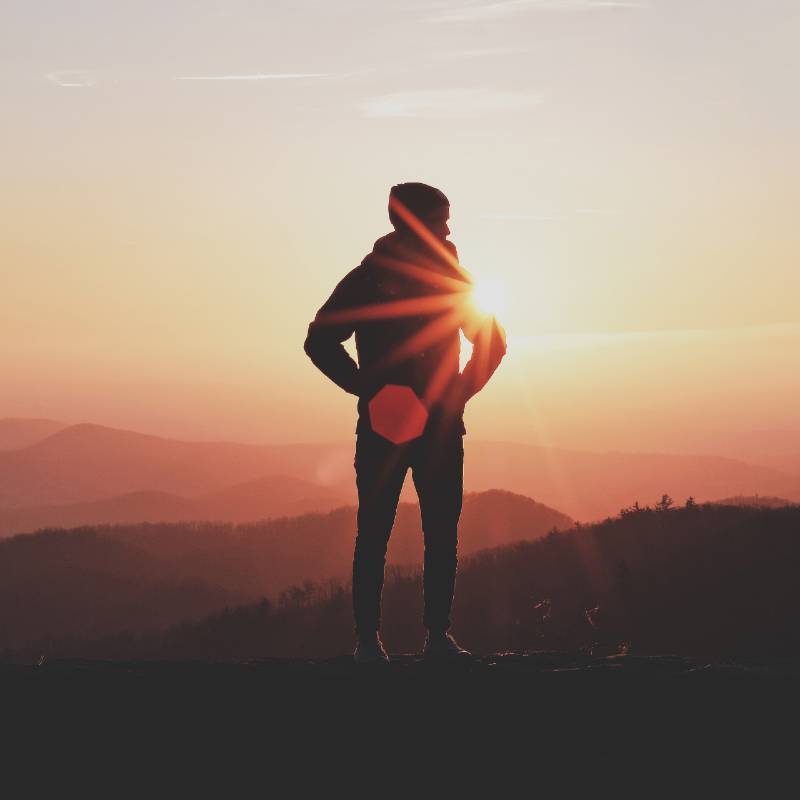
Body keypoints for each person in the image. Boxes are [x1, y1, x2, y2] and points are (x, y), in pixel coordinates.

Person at [303, 182, 506, 664]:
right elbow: (319, 340)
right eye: (440, 220)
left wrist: (365, 387)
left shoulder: (394, 278)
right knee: (410, 531)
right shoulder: (384, 279)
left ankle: (399, 641)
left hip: (407, 424)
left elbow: (492, 341)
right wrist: (365, 387)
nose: (449, 228)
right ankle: (392, 641)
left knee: (398, 530)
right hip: (419, 425)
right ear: (416, 225)